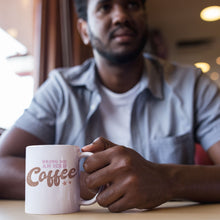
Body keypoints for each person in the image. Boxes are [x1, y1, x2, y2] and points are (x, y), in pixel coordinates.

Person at [0, 0, 220, 212]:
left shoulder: (192, 85)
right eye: (105, 7)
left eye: (132, 4)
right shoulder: (60, 90)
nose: (121, 16)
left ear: (145, 17)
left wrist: (167, 180)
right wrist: (84, 182)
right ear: (84, 30)